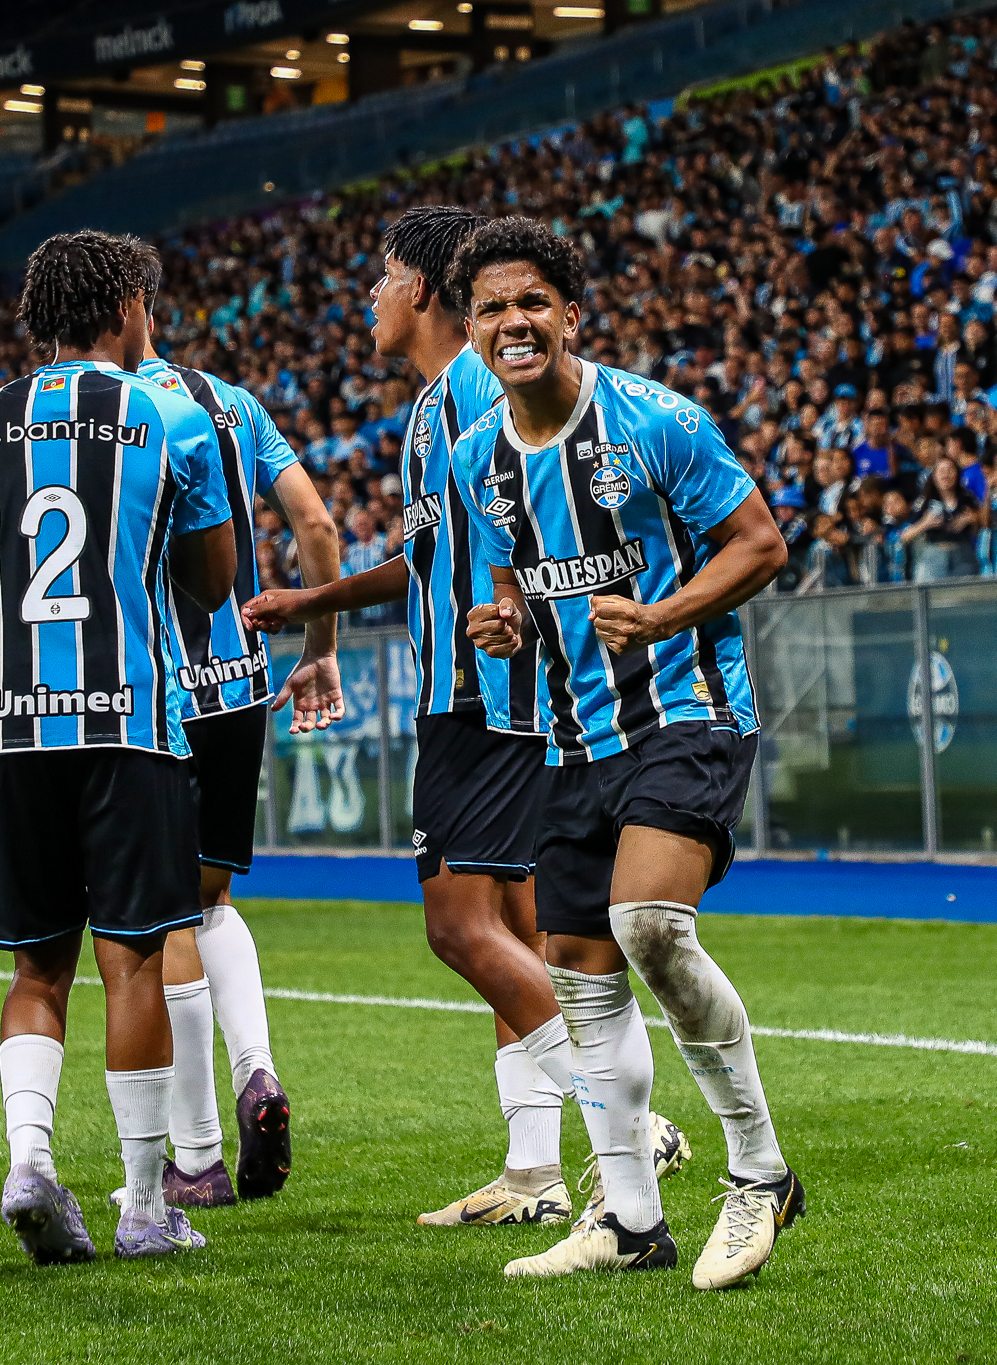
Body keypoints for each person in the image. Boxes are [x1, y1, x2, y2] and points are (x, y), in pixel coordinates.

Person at [245, 206, 690, 1229]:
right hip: (495, 693)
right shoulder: (437, 407)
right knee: (523, 937)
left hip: (484, 696)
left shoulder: (469, 396)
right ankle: (532, 1171)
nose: (368, 299)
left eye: (380, 278)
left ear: (417, 289)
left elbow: (522, 543)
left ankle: (622, 1119)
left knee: (458, 927)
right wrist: (315, 606)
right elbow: (432, 559)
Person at [452, 217, 803, 1290]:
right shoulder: (478, 464)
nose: (513, 322)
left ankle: (759, 1175)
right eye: (490, 308)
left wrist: (661, 616)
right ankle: (630, 1220)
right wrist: (501, 620)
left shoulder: (656, 422)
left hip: (685, 710)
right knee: (583, 982)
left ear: (569, 314)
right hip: (572, 741)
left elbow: (759, 544)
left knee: (647, 923)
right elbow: (515, 583)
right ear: (469, 333)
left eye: (531, 302)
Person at [0, 230, 236, 1263]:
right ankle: (146, 1207)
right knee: (133, 963)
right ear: (124, 310)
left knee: (37, 971)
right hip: (129, 724)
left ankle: (29, 1160)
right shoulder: (168, 413)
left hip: (17, 724)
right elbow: (211, 579)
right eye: (146, 306)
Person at [131, 248, 343, 1209]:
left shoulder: (98, 416)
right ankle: (256, 1067)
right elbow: (318, 525)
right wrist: (320, 643)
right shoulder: (232, 402)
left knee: (154, 919)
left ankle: (198, 1155)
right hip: (238, 685)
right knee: (209, 901)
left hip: (144, 699)